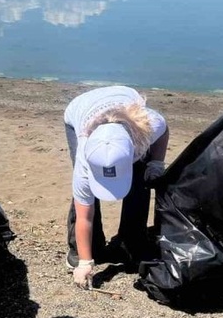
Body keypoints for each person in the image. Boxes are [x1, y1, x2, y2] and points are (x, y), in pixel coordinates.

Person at [63, 86, 169, 289]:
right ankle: (82, 249)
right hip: (80, 109)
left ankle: (132, 242)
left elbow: (164, 131)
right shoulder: (85, 160)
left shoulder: (148, 126)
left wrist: (156, 163)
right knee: (83, 197)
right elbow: (84, 215)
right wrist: (86, 262)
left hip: (128, 117)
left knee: (141, 181)